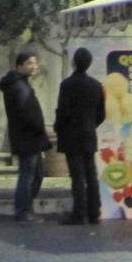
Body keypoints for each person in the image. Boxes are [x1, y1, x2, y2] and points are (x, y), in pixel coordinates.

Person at [53, 46, 107, 226]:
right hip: (89, 134)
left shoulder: (66, 85)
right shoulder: (96, 85)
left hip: (71, 135)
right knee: (91, 173)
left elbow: (63, 111)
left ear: (74, 62)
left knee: (77, 176)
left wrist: (58, 128)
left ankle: (79, 213)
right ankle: (95, 212)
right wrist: (91, 125)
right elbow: (101, 113)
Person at [0, 48, 50, 223]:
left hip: (27, 136)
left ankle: (25, 208)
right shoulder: (19, 86)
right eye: (29, 63)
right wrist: (39, 128)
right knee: (29, 175)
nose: (34, 66)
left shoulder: (20, 84)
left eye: (35, 63)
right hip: (28, 137)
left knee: (36, 173)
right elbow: (27, 112)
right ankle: (23, 211)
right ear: (19, 66)